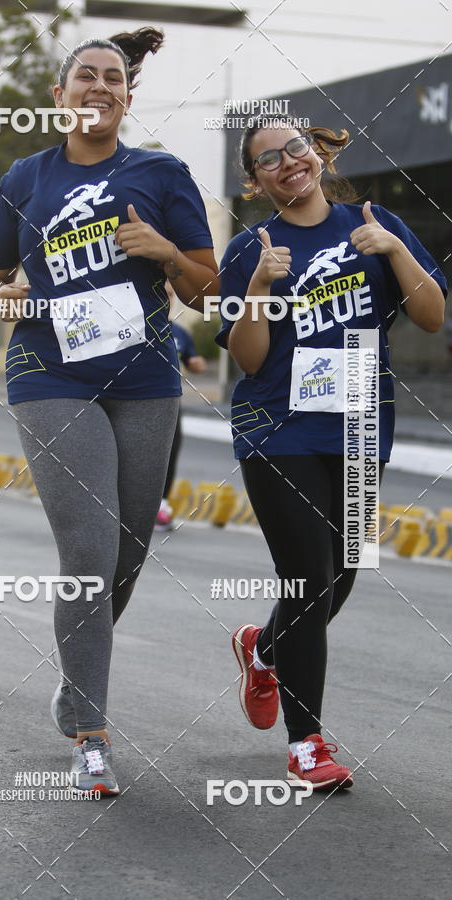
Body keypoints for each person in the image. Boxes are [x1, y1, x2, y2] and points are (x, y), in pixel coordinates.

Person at [0, 27, 218, 796]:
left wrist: (163, 252)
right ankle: (91, 730)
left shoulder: (162, 173)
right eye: (87, 76)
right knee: (88, 549)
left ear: (128, 96)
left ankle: (76, 678)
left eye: (114, 77)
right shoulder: (25, 176)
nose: (101, 86)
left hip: (144, 378)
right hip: (48, 374)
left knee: (127, 553)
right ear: (60, 96)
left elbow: (204, 288)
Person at [216, 118, 447, 791]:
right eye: (269, 160)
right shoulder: (247, 248)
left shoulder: (375, 222)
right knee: (309, 578)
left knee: (342, 574)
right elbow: (249, 359)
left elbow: (432, 316)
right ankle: (306, 744)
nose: (289, 162)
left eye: (296, 148)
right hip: (276, 429)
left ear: (314, 153)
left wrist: (393, 252)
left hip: (357, 428)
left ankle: (263, 650)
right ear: (255, 182)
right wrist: (259, 284)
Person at [156, 288, 207, 530]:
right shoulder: (134, 325)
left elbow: (192, 360)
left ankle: (161, 506)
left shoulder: (179, 333)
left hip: (169, 401)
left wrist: (197, 364)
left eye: (171, 294)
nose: (167, 299)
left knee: (169, 451)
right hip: (131, 399)